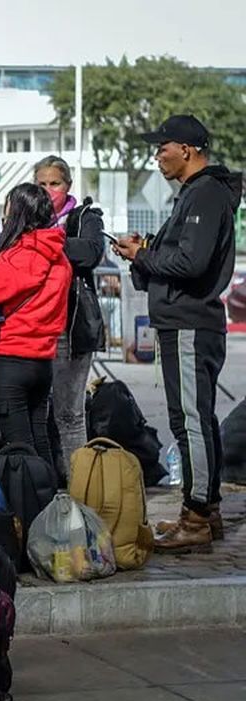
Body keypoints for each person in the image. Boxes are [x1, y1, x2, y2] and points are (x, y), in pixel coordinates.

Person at [113, 115, 241, 553]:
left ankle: (198, 515)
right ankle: (208, 510)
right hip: (183, 320)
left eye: (162, 147)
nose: (157, 155)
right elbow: (183, 257)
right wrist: (144, 252)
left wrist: (143, 255)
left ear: (186, 149)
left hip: (188, 322)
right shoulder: (198, 193)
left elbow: (190, 264)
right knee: (196, 419)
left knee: (189, 421)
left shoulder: (205, 192)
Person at [0, 184, 71, 467]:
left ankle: (28, 508)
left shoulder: (15, 258)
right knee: (39, 439)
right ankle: (51, 505)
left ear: (15, 214)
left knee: (18, 448)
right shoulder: (61, 259)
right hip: (43, 362)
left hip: (9, 362)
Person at [31, 156, 107, 476]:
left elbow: (90, 252)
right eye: (42, 184)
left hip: (71, 326)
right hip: (34, 326)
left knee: (70, 413)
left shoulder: (84, 217)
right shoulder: (27, 215)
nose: (49, 191)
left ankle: (81, 485)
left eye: (55, 183)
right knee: (37, 411)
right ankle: (43, 484)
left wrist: (41, 243)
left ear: (68, 186)